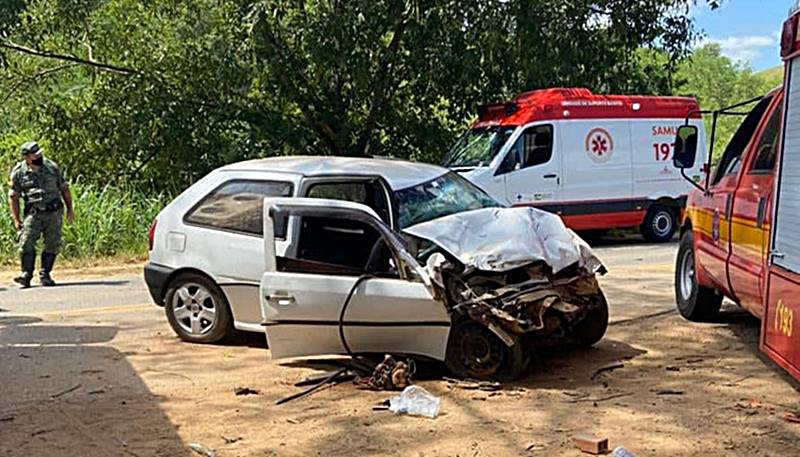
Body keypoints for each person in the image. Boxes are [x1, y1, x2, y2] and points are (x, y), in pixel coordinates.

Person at [7, 141, 74, 288]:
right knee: (25, 242)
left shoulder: (51, 167)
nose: (39, 157)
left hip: (54, 212)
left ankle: (45, 274)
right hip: (34, 213)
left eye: (39, 154)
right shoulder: (19, 172)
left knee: (52, 243)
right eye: (35, 155)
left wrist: (70, 209)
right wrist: (16, 219)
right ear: (27, 158)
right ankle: (26, 275)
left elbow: (64, 188)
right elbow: (13, 197)